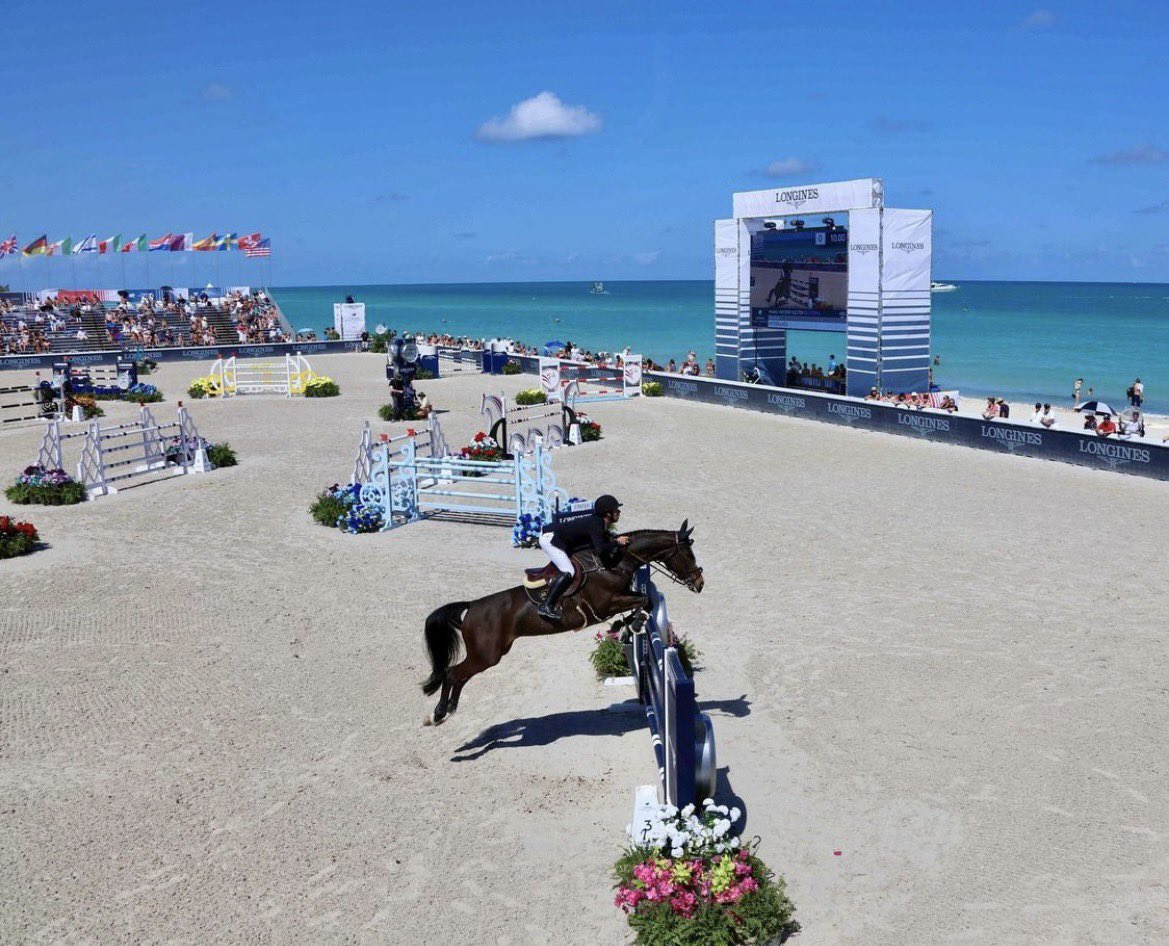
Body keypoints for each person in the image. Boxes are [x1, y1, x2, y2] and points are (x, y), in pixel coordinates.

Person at [536, 495, 629, 621]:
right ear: (608, 513)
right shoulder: (596, 523)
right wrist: (617, 543)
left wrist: (614, 540)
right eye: (616, 510)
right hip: (549, 539)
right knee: (569, 571)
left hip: (557, 537)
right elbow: (600, 549)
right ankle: (546, 605)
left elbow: (601, 539)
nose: (619, 512)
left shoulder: (599, 521)